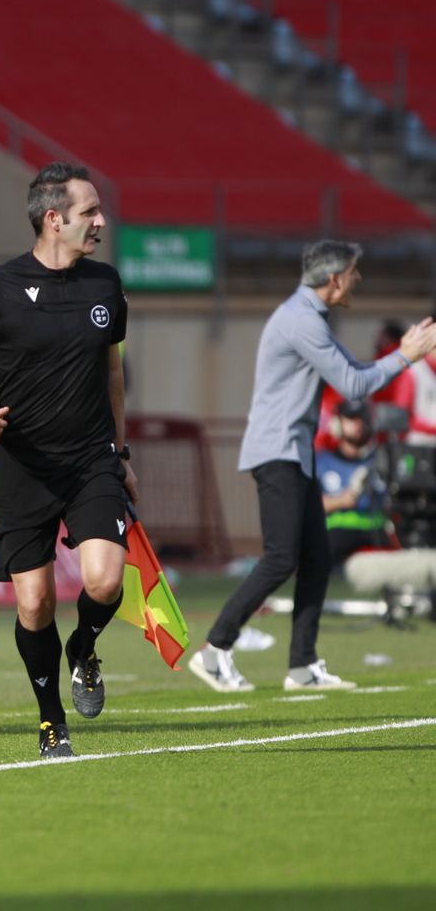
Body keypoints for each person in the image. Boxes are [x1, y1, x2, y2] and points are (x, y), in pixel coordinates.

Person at [0, 162, 134, 759]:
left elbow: (113, 374)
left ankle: (84, 648)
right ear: (54, 219)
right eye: (90, 212)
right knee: (34, 603)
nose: (101, 222)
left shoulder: (105, 284)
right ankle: (52, 720)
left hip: (91, 460)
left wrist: (121, 453)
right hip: (23, 466)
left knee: (105, 581)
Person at [190, 241, 436, 693]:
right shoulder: (301, 320)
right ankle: (214, 648)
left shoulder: (308, 316)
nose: (358, 279)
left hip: (293, 454)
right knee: (281, 558)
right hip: (278, 453)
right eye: (354, 272)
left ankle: (302, 666)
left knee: (316, 560)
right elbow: (354, 384)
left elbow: (353, 369)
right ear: (335, 278)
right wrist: (407, 356)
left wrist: (401, 352)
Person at [317, 400, 392, 567]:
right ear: (337, 424)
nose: (358, 424)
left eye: (362, 418)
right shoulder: (322, 462)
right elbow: (307, 505)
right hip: (336, 535)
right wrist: (340, 501)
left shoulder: (381, 460)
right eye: (351, 418)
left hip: (376, 532)